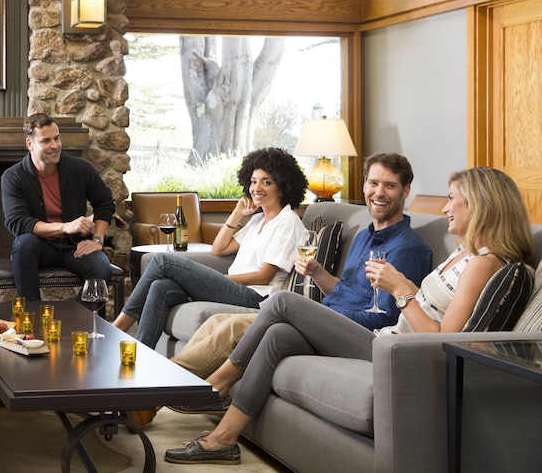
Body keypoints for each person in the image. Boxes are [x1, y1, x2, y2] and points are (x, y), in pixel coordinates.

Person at [165, 166, 533, 465]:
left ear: (480, 205)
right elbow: (434, 306)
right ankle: (222, 439)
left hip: (400, 354)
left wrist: (402, 292)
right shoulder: (463, 254)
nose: (445, 208)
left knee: (282, 305)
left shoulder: (485, 264)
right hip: (392, 341)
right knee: (278, 336)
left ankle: (214, 386)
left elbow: (443, 337)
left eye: (453, 200)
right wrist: (406, 287)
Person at [166, 152, 433, 411]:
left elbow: (383, 318)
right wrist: (318, 272)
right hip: (329, 318)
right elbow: (344, 290)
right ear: (364, 185)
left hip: (352, 331)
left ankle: (171, 387)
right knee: (220, 321)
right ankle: (171, 385)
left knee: (248, 321)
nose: (379, 192)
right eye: (373, 183)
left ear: (405, 191)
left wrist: (322, 315)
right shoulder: (366, 235)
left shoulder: (405, 249)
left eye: (390, 185)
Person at [112, 147, 308, 349]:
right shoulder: (258, 220)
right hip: (237, 289)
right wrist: (236, 214)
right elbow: (219, 250)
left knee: (162, 261)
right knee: (160, 287)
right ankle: (142, 355)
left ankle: (115, 330)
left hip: (257, 296)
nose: (257, 188)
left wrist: (220, 280)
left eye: (267, 182)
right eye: (253, 181)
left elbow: (263, 276)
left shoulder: (287, 222)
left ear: (284, 187)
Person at [2, 113, 116, 301]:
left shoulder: (80, 169)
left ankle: (78, 321)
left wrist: (97, 239)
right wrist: (65, 226)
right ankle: (34, 319)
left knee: (101, 267)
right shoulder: (13, 176)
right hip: (41, 246)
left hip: (75, 246)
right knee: (23, 244)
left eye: (57, 138)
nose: (54, 146)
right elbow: (19, 223)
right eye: (46, 140)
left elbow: (105, 203)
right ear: (30, 144)